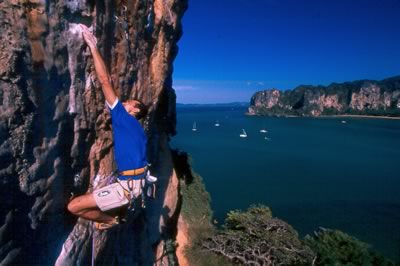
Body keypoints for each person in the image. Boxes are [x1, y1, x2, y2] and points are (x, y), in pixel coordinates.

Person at [67, 24, 149, 230]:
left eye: (128, 102)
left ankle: (111, 220)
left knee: (74, 207)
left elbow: (105, 81)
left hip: (127, 187)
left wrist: (93, 46)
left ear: (135, 110)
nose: (124, 103)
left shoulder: (123, 117)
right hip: (134, 183)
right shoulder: (138, 129)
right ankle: (118, 210)